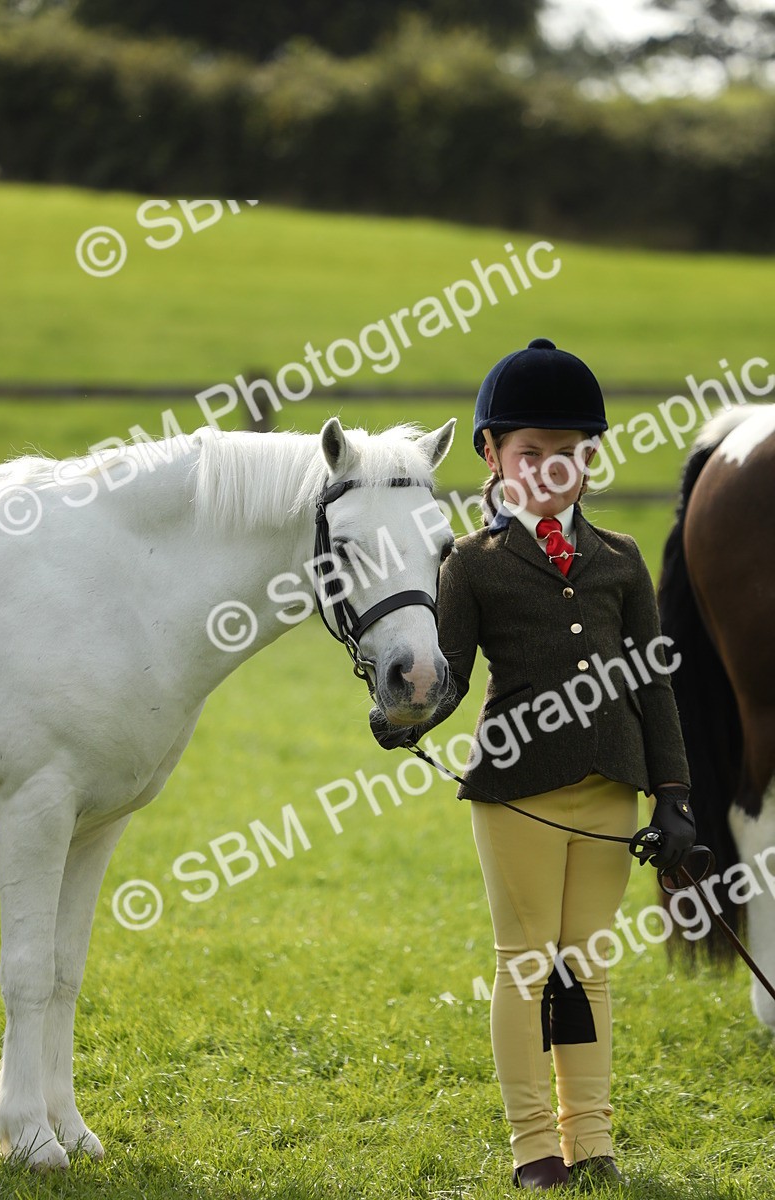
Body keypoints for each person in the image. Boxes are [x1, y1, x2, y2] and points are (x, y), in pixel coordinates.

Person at [370, 337, 695, 1192]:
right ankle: (533, 1148)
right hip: (516, 792)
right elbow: (449, 672)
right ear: (492, 455)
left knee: (587, 965)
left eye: (571, 455)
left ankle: (592, 1141)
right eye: (532, 455)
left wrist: (674, 795)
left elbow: (655, 686)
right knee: (526, 961)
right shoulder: (469, 566)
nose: (552, 471)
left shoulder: (622, 559)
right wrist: (408, 716)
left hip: (613, 791)